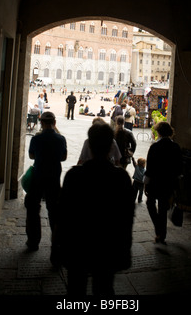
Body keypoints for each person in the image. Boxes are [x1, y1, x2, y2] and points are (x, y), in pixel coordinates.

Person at [57, 122, 134, 296]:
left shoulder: (73, 176)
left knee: (76, 290)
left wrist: (60, 246)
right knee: (105, 289)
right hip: (107, 247)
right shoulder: (121, 178)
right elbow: (126, 218)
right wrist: (124, 249)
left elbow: (63, 216)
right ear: (111, 146)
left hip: (78, 247)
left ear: (89, 145)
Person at [24, 112, 67, 262]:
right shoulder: (61, 139)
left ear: (40, 122)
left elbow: (31, 156)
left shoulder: (36, 138)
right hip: (54, 177)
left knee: (32, 207)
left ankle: (33, 241)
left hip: (38, 176)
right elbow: (63, 157)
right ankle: (56, 246)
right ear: (55, 121)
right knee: (55, 211)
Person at [144, 121, 183, 244]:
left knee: (150, 203)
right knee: (162, 207)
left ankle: (159, 229)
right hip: (168, 182)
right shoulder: (176, 147)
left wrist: (146, 182)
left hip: (155, 181)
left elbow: (149, 167)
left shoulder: (155, 147)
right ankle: (162, 234)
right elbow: (179, 167)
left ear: (158, 132)